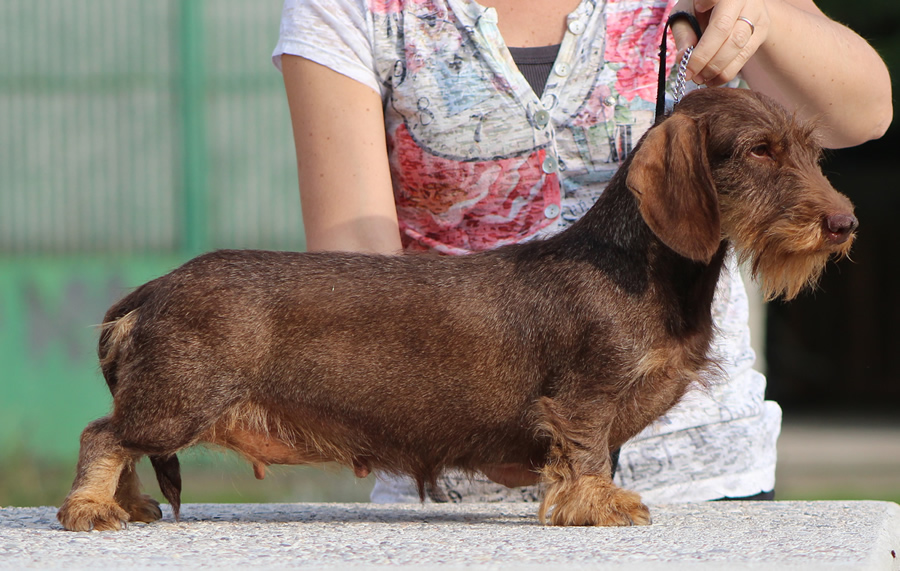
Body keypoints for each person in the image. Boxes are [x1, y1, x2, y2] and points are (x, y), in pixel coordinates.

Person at [272, 0, 891, 504]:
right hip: (453, 481)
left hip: (701, 478)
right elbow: (357, 264)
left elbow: (865, 113)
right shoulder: (352, 8)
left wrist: (770, 19)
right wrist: (468, 426)